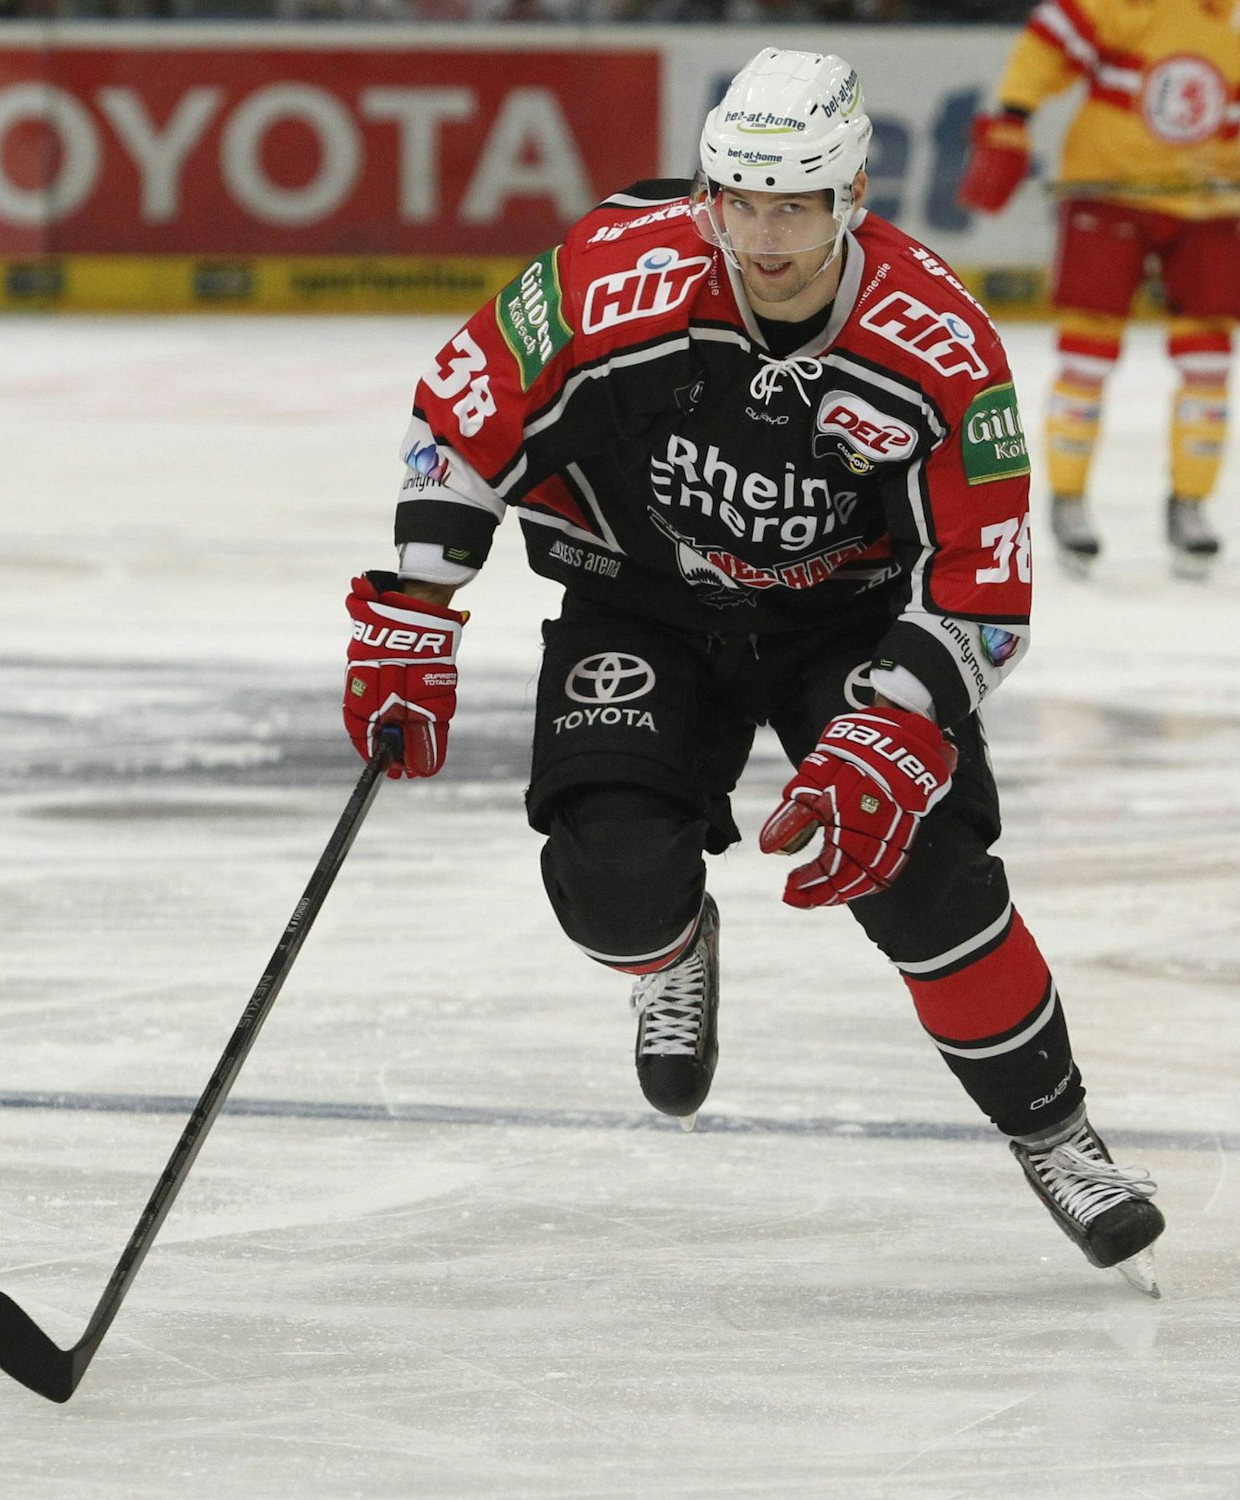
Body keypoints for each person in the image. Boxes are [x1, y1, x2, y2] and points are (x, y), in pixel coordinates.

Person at [341, 48, 1166, 1294]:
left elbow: (982, 587)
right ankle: (670, 957)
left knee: (922, 879)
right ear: (706, 192)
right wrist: (410, 606)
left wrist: (896, 733)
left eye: (796, 206)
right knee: (610, 876)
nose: (764, 237)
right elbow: (464, 410)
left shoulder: (937, 345)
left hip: (842, 620)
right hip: (640, 597)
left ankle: (1057, 1133)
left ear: (853, 200)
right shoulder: (615, 275)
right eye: (740, 201)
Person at [955, 0, 1240, 575]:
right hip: (1108, 187)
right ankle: (1068, 499)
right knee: (1086, 354)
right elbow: (1049, 43)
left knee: (1209, 359)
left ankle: (1190, 504)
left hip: (1212, 201)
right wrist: (1012, 118)